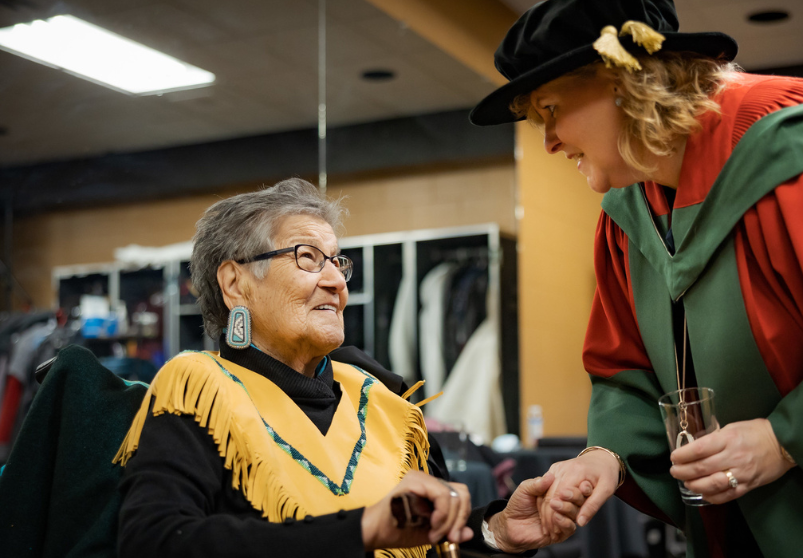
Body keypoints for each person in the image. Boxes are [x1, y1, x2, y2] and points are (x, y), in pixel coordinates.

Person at [469, 0, 803, 557]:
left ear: (624, 82)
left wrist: (786, 439)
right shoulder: (628, 213)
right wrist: (605, 457)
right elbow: (626, 372)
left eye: (551, 110)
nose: (548, 141)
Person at [114, 178, 586, 558]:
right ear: (235, 283)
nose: (337, 281)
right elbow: (152, 542)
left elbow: (434, 538)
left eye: (337, 262)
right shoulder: (199, 390)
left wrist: (495, 529)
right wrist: (359, 531)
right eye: (307, 258)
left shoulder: (386, 402)